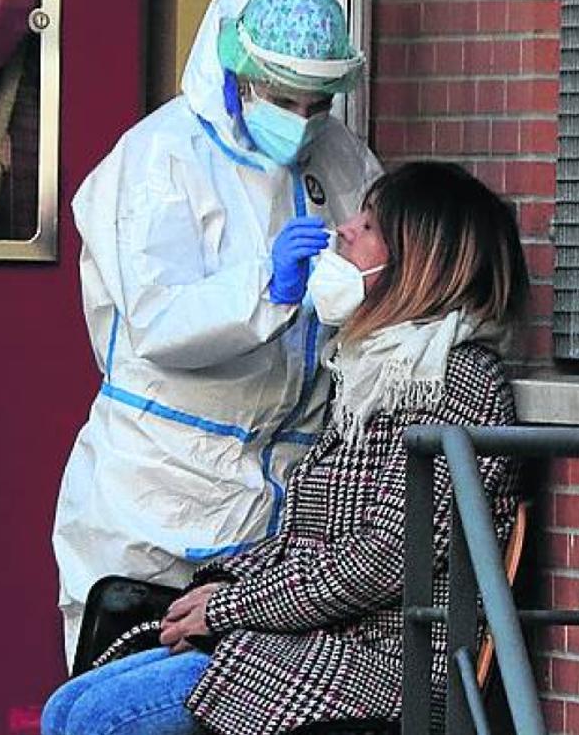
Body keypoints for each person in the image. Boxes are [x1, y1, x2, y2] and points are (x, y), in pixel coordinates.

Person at [41, 160, 531, 735]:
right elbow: (305, 539)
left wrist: (227, 609)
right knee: (66, 707)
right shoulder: (373, 369)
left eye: (370, 226)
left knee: (102, 718)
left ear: (423, 263)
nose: (345, 229)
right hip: (315, 641)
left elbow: (384, 559)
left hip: (381, 665)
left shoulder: (456, 380)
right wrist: (219, 586)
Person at [53, 0, 383, 664]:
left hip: (279, 493)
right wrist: (268, 286)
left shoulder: (341, 158)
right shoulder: (160, 158)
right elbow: (157, 321)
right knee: (122, 680)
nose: (302, 120)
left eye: (317, 104)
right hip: (156, 486)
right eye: (284, 100)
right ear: (238, 74)